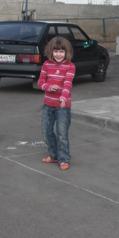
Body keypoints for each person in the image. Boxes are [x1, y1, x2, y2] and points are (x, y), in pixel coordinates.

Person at [38, 36, 76, 171]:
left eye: (61, 51)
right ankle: (54, 155)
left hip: (62, 107)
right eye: (56, 51)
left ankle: (64, 158)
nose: (58, 54)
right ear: (50, 51)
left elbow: (67, 84)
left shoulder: (70, 66)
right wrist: (48, 87)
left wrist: (63, 97)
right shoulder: (46, 65)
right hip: (48, 105)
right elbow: (40, 82)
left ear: (67, 52)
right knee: (46, 131)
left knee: (62, 133)